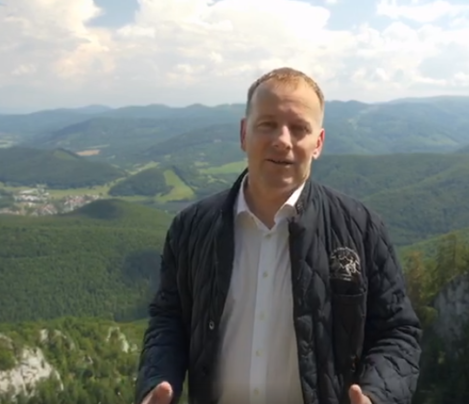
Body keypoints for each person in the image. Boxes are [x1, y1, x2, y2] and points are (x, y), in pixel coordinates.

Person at [134, 67, 422, 404]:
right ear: (244, 133)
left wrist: (377, 396)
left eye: (299, 128)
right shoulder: (191, 228)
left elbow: (397, 332)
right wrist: (157, 381)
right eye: (267, 124)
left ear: (318, 143)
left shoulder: (362, 228)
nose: (282, 140)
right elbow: (169, 320)